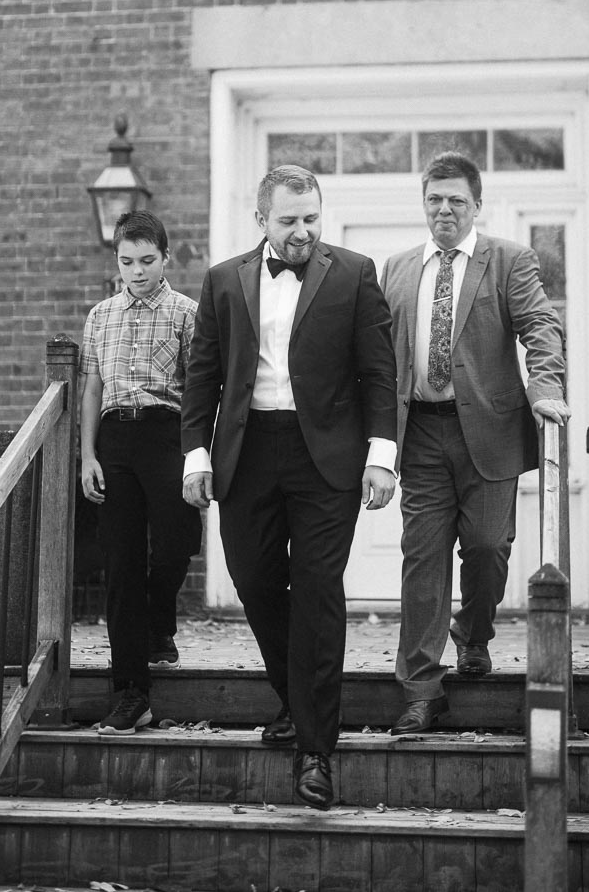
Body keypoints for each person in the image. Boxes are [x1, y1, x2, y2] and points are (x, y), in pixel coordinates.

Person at [181, 164, 397, 810]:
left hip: (326, 457)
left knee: (317, 593)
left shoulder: (355, 274)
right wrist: (195, 456)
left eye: (310, 218)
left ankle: (316, 752)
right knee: (251, 577)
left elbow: (378, 376)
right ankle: (298, 696)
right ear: (262, 221)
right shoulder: (224, 281)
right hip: (246, 454)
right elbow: (203, 376)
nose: (302, 231)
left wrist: (381, 457)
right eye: (289, 220)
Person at [380, 152, 571, 735]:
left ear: (476, 205)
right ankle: (420, 690)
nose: (445, 209)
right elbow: (378, 352)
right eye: (435, 199)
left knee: (488, 549)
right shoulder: (398, 267)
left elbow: (541, 327)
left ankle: (474, 632)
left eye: (456, 200)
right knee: (423, 560)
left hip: (488, 430)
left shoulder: (509, 260)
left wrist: (546, 387)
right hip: (421, 435)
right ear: (424, 203)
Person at [79, 209, 201, 734]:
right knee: (121, 561)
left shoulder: (187, 313)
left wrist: (200, 456)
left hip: (166, 432)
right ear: (117, 260)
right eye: (127, 261)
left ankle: (159, 620)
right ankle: (131, 691)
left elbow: (199, 392)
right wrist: (87, 455)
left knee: (177, 542)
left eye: (147, 260)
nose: (137, 271)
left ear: (165, 257)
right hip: (115, 440)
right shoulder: (99, 316)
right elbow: (91, 388)